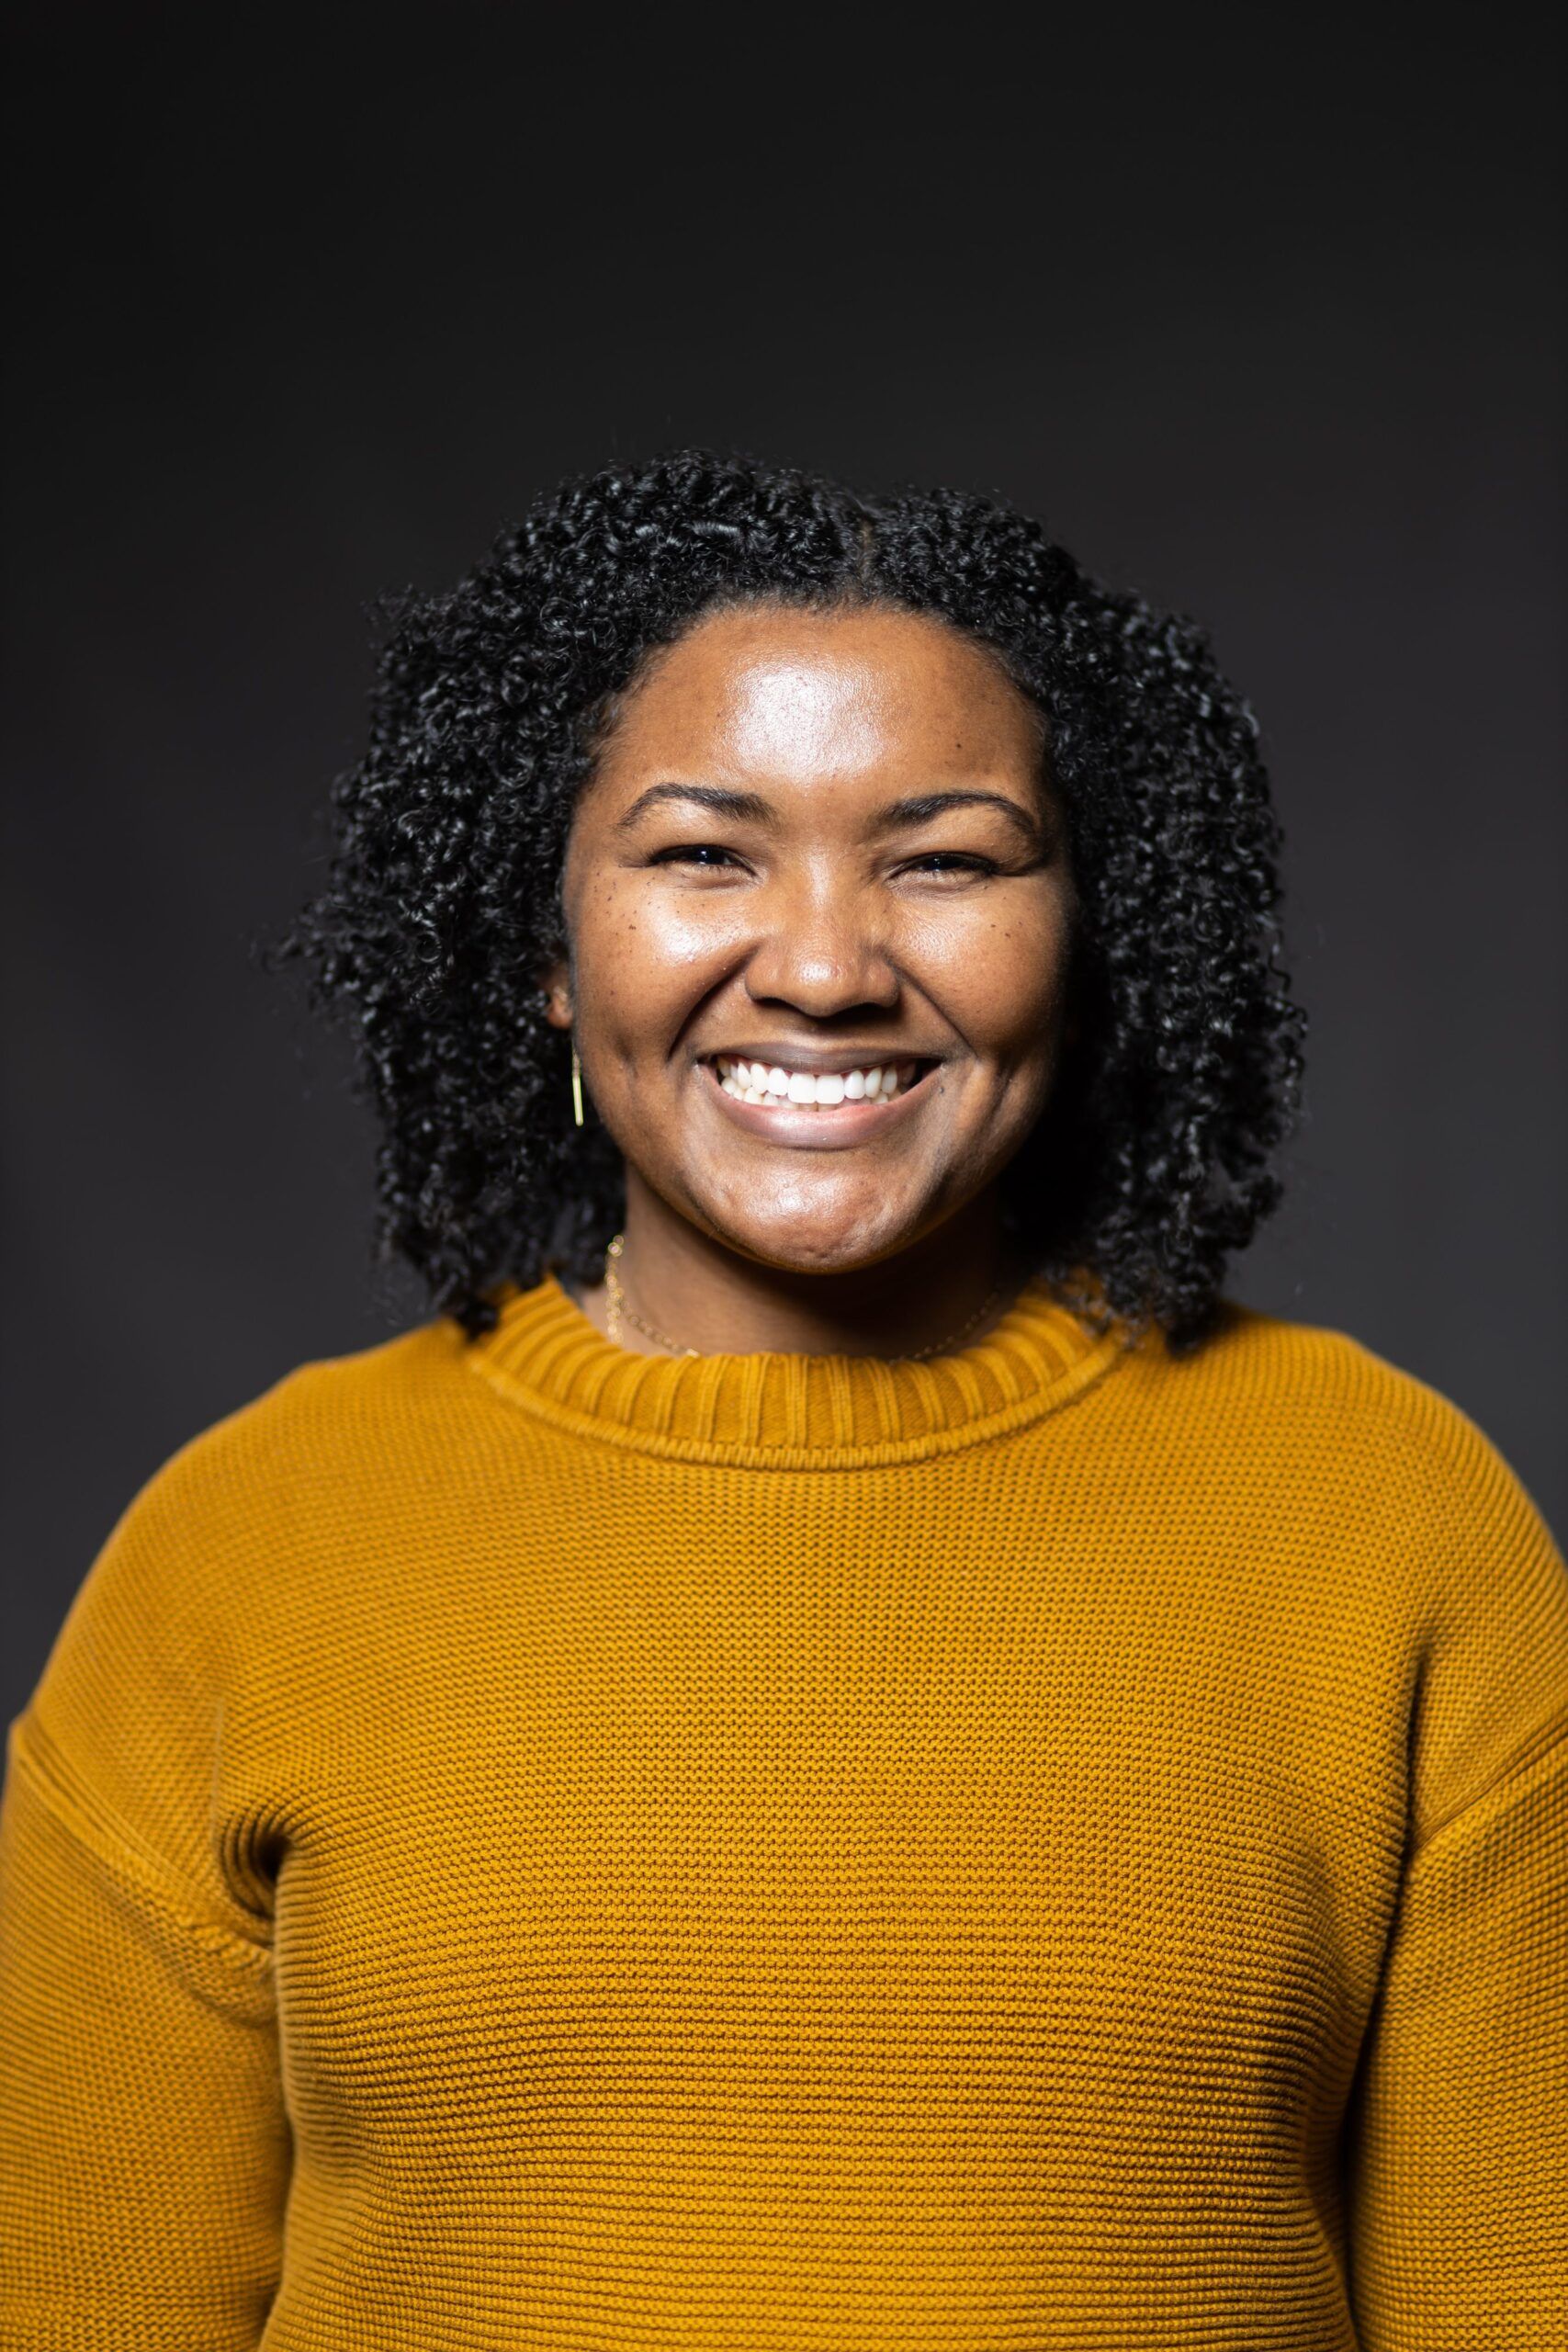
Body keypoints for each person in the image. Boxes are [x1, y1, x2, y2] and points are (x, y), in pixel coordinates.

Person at [2, 450, 1562, 2348]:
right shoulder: (239, 1552)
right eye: (699, 852)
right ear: (546, 956)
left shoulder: (1387, 1516)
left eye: (944, 856)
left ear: (1091, 936)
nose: (823, 964)